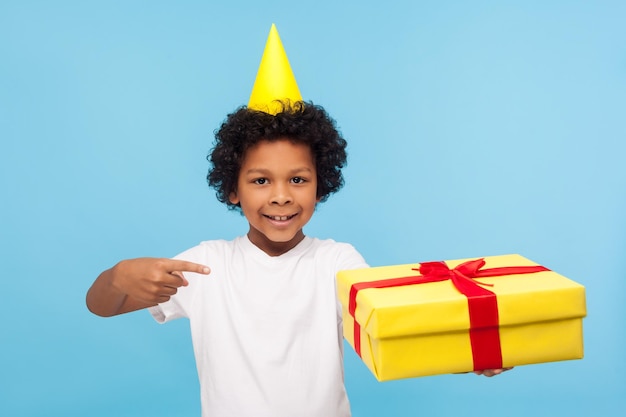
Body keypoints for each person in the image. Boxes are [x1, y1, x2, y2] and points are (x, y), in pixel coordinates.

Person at [86, 25, 509, 417]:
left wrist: (468, 354)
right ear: (233, 189)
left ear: (320, 185)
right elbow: (101, 306)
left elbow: (392, 330)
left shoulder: (337, 261)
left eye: (298, 179)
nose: (281, 195)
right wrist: (120, 277)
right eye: (260, 180)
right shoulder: (206, 264)